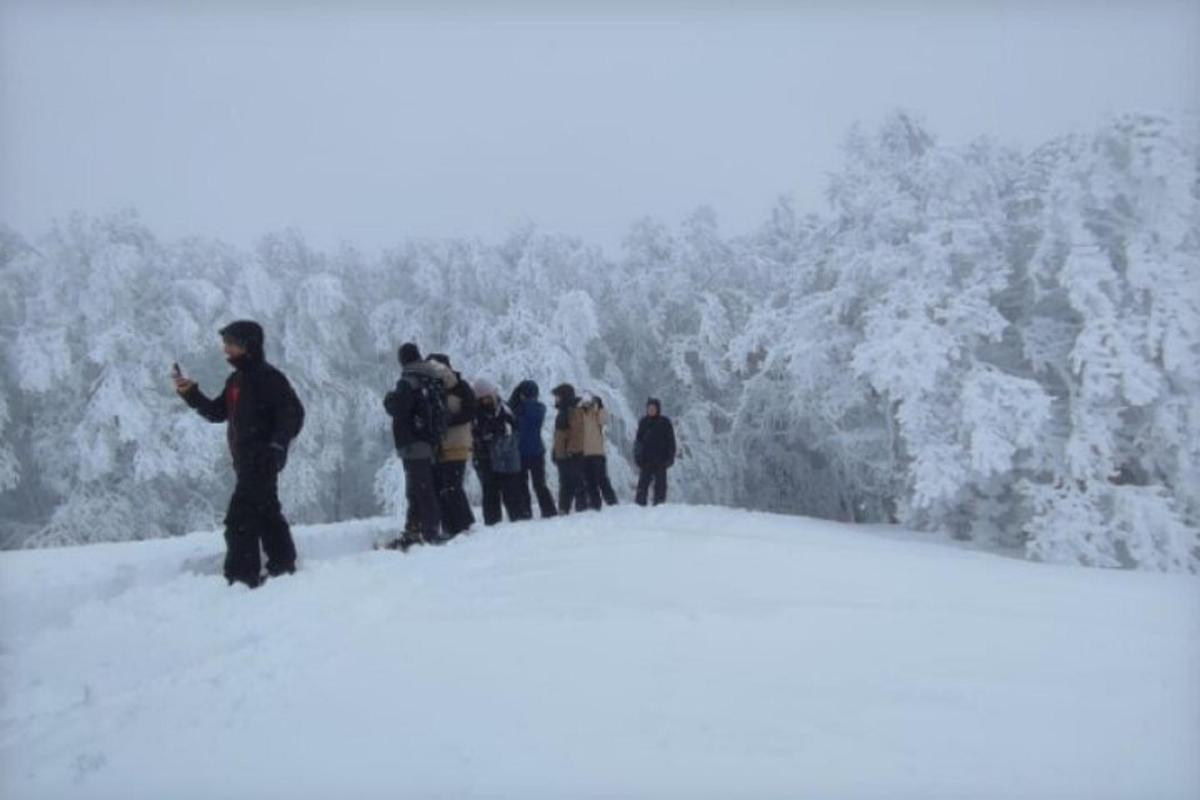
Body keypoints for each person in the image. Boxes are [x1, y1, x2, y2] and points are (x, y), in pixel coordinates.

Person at [174, 320, 304, 588]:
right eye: (226, 344)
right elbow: (217, 413)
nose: (226, 350)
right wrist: (191, 394)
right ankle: (283, 566)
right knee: (267, 514)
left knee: (239, 520)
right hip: (245, 462)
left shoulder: (268, 377)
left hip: (262, 460)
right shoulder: (236, 380)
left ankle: (242, 578)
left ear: (248, 346)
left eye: (231, 344)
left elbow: (293, 414)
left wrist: (277, 447)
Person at [382, 342, 446, 548]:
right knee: (420, 486)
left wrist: (388, 399)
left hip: (413, 441)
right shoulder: (431, 378)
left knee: (420, 488)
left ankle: (427, 532)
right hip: (428, 439)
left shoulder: (408, 380)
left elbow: (399, 408)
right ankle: (415, 529)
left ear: (403, 360)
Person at [428, 353, 476, 539]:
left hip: (456, 443)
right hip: (438, 446)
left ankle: (466, 526)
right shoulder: (433, 388)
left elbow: (470, 412)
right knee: (441, 488)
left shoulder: (460, 387)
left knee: (452, 486)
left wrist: (447, 421)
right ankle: (451, 528)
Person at [471, 379, 527, 525]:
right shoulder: (475, 413)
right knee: (490, 491)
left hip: (505, 455)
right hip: (485, 456)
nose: (486, 401)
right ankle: (492, 522)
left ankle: (517, 519)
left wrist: (500, 435)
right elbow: (474, 433)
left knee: (510, 489)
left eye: (488, 397)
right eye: (482, 399)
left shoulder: (505, 409)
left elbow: (515, 429)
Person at [509, 380, 557, 519]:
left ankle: (525, 512)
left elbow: (518, 426)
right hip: (537, 450)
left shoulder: (517, 410)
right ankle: (549, 511)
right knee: (540, 484)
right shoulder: (540, 408)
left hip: (521, 451)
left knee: (521, 484)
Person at [550, 383, 589, 514]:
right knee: (565, 482)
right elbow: (559, 435)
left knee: (576, 481)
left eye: (557, 396)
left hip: (572, 454)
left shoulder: (574, 410)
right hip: (563, 454)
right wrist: (555, 451)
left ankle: (581, 509)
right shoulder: (563, 411)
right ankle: (563, 509)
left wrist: (571, 450)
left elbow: (577, 432)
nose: (556, 399)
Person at [634, 397, 676, 506]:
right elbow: (638, 442)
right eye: (649, 408)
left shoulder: (665, 422)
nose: (651, 410)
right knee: (642, 486)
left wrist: (670, 458)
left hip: (661, 461)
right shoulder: (643, 422)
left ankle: (659, 507)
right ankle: (638, 508)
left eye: (653, 408)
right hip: (646, 460)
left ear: (658, 409)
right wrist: (638, 457)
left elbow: (671, 442)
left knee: (661, 487)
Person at [580, 393, 619, 507]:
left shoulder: (596, 412)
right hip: (583, 453)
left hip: (597, 452)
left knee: (602, 479)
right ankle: (594, 504)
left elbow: (603, 421)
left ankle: (612, 503)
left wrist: (600, 406)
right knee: (589, 481)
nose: (586, 403)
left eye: (588, 401)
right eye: (584, 401)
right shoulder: (580, 414)